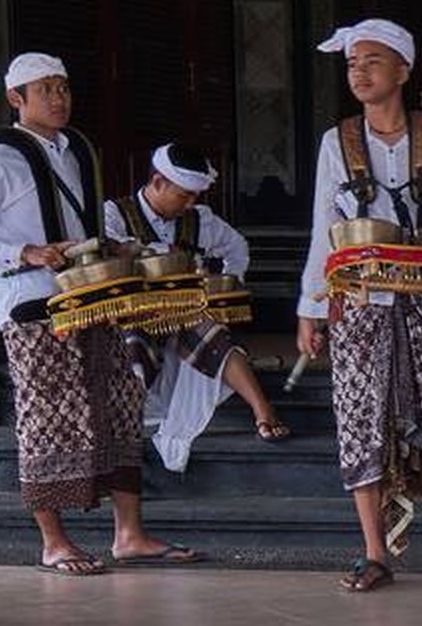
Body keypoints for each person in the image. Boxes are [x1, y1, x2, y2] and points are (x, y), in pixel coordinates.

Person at [0, 54, 203, 573]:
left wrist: (112, 247)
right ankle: (54, 541)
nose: (59, 98)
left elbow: (77, 223)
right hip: (31, 306)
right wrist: (26, 252)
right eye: (45, 90)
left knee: (120, 405)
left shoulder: (77, 148)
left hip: (92, 299)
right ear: (17, 99)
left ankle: (129, 534)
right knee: (47, 418)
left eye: (63, 87)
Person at [298, 21, 422, 593]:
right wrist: (311, 308)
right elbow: (325, 229)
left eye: (373, 61)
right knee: (361, 418)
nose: (361, 72)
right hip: (363, 303)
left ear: (403, 69)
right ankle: (374, 551)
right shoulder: (335, 142)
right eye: (352, 64)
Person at [105, 143, 291, 468]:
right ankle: (128, 430)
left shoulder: (200, 220)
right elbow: (104, 257)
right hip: (132, 315)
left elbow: (237, 248)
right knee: (132, 343)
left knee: (211, 332)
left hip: (186, 312)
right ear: (158, 182)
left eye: (194, 196)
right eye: (184, 195)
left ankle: (263, 410)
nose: (190, 203)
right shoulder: (115, 215)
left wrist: (224, 283)